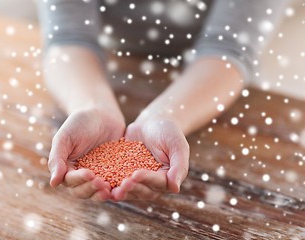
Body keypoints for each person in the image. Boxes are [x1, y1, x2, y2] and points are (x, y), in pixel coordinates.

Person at [37, 0, 288, 202]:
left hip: (214, 83)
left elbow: (230, 48)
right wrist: (91, 105)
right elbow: (67, 39)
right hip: (101, 69)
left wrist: (168, 115)